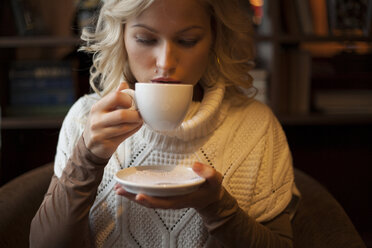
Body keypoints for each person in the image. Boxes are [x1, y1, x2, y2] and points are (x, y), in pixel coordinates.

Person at [30, 0, 300, 247]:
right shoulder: (85, 118)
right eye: (146, 39)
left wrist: (218, 208)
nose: (165, 63)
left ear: (215, 37)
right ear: (121, 36)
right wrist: (86, 158)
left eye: (187, 40)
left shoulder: (254, 127)